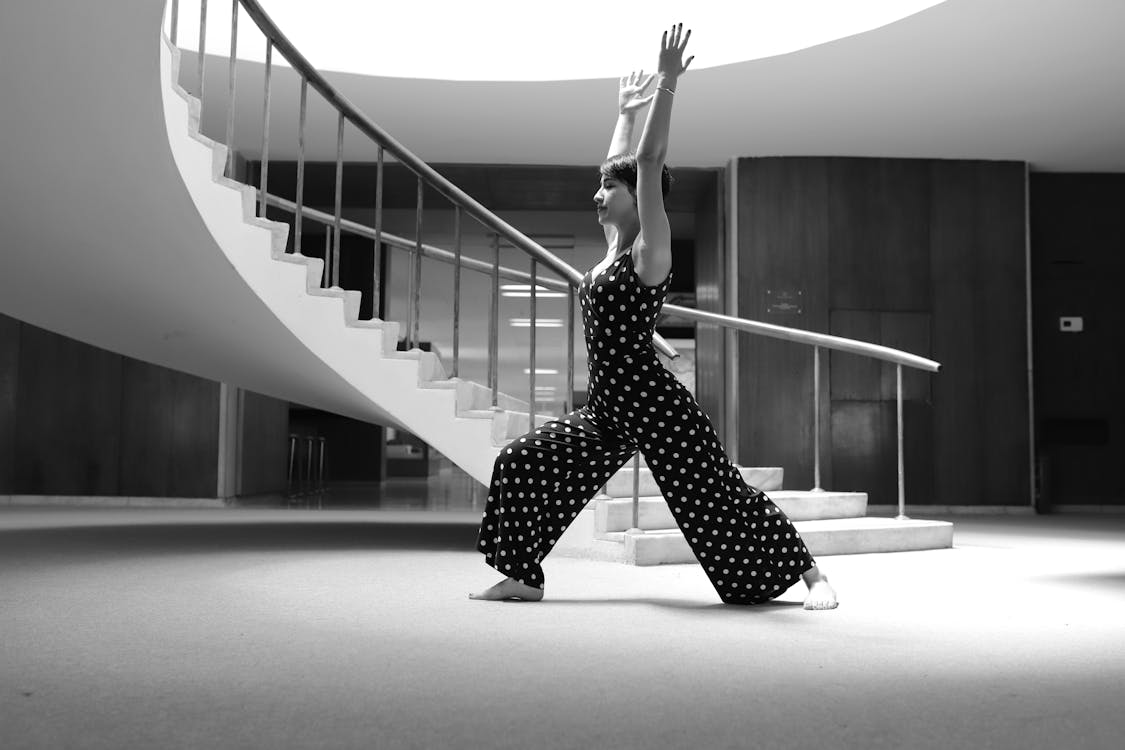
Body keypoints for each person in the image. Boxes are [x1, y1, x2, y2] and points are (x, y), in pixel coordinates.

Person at [470, 24, 838, 610]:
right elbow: (618, 164)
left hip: (655, 405)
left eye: (608, 189)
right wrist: (624, 109)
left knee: (717, 500)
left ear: (639, 200)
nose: (598, 195)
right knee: (521, 459)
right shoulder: (609, 257)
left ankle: (811, 573)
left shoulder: (650, 252)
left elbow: (647, 159)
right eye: (599, 186)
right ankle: (521, 575)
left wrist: (665, 85)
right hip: (608, 407)